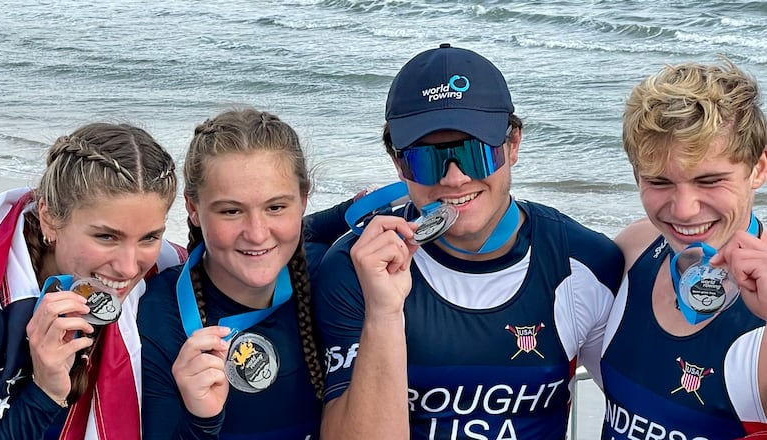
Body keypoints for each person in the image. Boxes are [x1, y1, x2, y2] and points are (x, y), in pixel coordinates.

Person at [312, 43, 625, 439]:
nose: (455, 179)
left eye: (475, 153)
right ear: (398, 164)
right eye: (427, 159)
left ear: (513, 145)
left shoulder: (585, 262)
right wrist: (384, 313)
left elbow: (648, 412)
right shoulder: (356, 268)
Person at [139, 108, 350, 439]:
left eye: (275, 207)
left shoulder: (333, 278)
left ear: (303, 200)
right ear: (193, 209)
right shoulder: (157, 318)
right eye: (231, 211)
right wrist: (200, 421)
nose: (256, 233)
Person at [0, 123, 185, 440]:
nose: (129, 268)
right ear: (49, 218)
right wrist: (45, 392)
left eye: (149, 237)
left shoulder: (168, 273)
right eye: (106, 237)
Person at [600, 59, 767, 439]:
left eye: (710, 181)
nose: (684, 210)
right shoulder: (633, 249)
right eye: (659, 182)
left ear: (758, 169)